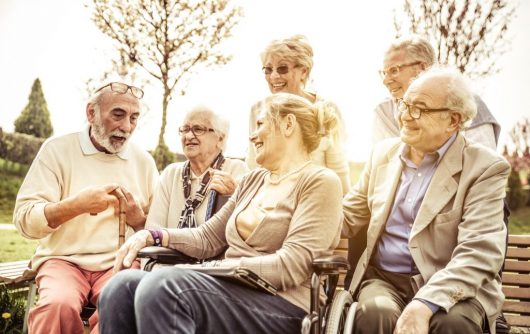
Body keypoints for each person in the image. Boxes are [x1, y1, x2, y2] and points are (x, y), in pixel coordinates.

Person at [98, 93, 343, 334]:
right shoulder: (254, 180)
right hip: (229, 292)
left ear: (288, 125)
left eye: (260, 124)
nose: (252, 135)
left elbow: (290, 266)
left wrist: (213, 268)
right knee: (120, 287)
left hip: (284, 305)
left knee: (164, 286)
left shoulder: (320, 182)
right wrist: (152, 235)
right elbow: (207, 238)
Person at [343, 66, 509, 333]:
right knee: (375, 313)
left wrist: (425, 302)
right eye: (404, 105)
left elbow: (479, 251)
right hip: (385, 280)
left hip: (455, 286)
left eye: (419, 108)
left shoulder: (485, 167)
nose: (405, 116)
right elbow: (348, 216)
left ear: (453, 121)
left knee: (452, 323)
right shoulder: (382, 155)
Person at [13, 82, 159, 334]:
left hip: (120, 262)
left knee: (124, 305)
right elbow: (24, 220)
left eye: (134, 118)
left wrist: (138, 220)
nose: (126, 127)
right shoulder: (56, 150)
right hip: (63, 261)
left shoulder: (144, 161)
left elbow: (159, 231)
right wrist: (76, 206)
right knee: (56, 305)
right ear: (91, 113)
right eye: (118, 114)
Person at [246, 34, 351, 194]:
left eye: (282, 69)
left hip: (315, 197)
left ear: (303, 71)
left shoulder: (327, 109)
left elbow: (338, 172)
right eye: (268, 70)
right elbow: (253, 166)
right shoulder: (257, 110)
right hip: (269, 199)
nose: (273, 76)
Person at [372, 35, 500, 149]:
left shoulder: (468, 105)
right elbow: (382, 167)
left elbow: (485, 168)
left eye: (394, 70)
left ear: (422, 68)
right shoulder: (383, 112)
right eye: (384, 73)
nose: (386, 81)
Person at [144, 105, 248, 231]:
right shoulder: (170, 174)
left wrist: (233, 195)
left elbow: (244, 227)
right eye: (185, 129)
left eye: (198, 129)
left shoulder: (236, 170)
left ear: (220, 138)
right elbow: (153, 228)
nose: (188, 136)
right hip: (168, 250)